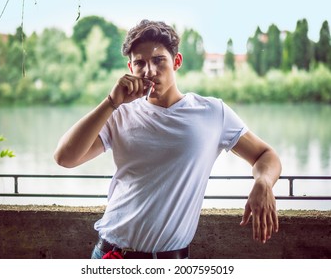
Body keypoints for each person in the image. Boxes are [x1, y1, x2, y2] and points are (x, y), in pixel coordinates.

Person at [54, 19, 282, 259]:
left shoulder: (212, 112)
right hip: (111, 255)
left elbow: (266, 155)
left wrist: (264, 183)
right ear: (130, 68)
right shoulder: (120, 112)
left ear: (176, 62)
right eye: (139, 63)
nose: (149, 71)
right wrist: (111, 102)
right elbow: (65, 158)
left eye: (158, 60)